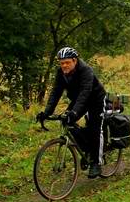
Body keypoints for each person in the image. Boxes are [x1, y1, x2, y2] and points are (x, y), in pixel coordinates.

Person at [37, 47, 107, 179]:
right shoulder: (61, 73)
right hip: (78, 99)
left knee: (94, 128)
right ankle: (87, 148)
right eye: (61, 63)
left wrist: (74, 112)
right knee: (67, 121)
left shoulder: (85, 70)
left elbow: (85, 92)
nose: (64, 65)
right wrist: (47, 112)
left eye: (67, 62)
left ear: (75, 60)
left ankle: (96, 162)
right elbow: (55, 92)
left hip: (95, 99)